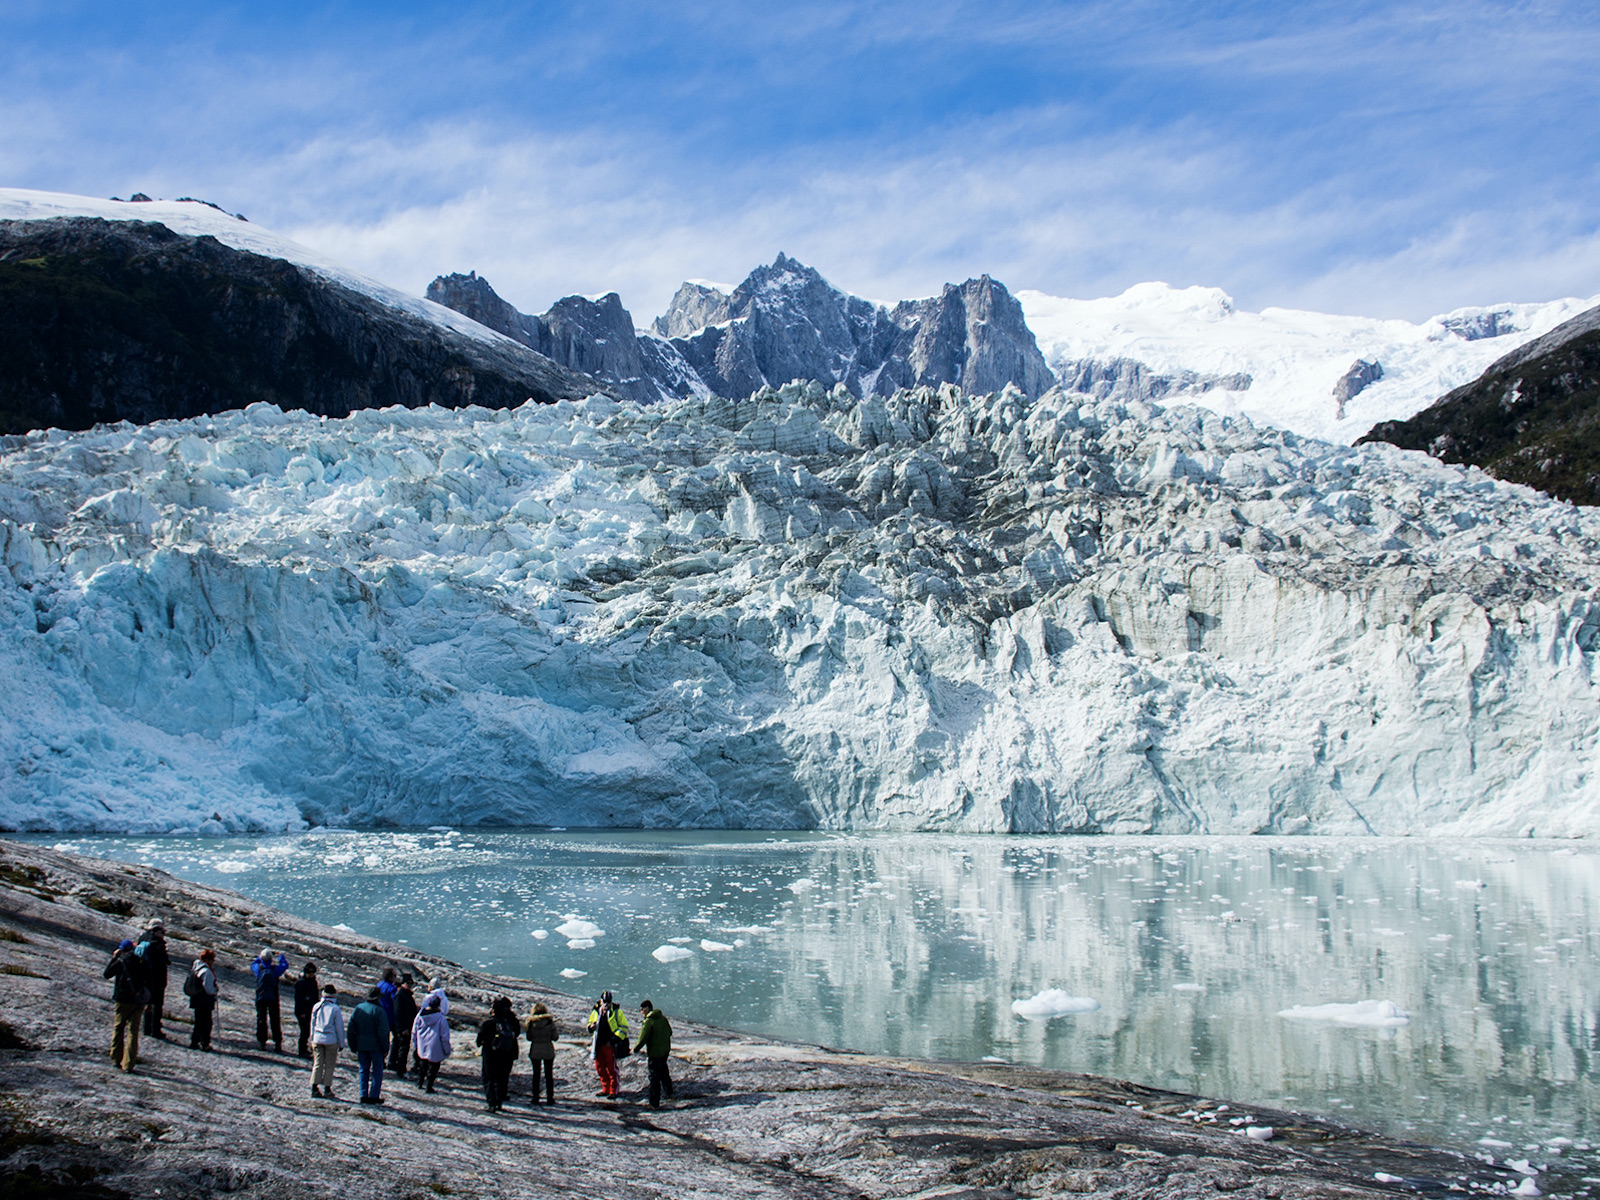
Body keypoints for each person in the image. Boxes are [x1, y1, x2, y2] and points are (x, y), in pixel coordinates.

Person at [103, 938, 147, 1073]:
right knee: (133, 1032)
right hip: (138, 1000)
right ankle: (129, 1064)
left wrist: (114, 958)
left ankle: (116, 1058)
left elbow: (107, 974)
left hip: (122, 1000)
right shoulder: (142, 962)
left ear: (122, 950)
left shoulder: (121, 961)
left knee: (119, 1028)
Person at [346, 987, 391, 1104]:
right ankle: (374, 1096)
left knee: (363, 1070)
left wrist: (353, 1045)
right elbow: (383, 1032)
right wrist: (385, 1047)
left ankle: (363, 1095)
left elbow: (351, 1029)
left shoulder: (358, 1009)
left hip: (361, 1045)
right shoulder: (379, 1011)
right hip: (376, 1047)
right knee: (377, 1071)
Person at [475, 996, 520, 1112]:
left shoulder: (488, 1023)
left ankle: (491, 1103)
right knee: (502, 1078)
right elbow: (517, 1033)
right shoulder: (509, 1021)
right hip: (506, 1052)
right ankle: (499, 1102)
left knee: (489, 1077)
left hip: (490, 1054)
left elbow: (479, 1041)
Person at [585, 991, 629, 1099]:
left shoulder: (617, 1012)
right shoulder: (596, 1011)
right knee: (600, 1068)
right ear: (601, 1001)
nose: (606, 1004)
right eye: (604, 1002)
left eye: (608, 1002)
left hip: (610, 1045)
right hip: (598, 1044)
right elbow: (590, 1023)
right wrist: (591, 1027)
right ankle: (605, 1088)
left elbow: (624, 1027)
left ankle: (613, 1090)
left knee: (611, 1068)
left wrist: (614, 1040)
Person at [308, 982, 346, 1099]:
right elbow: (339, 1027)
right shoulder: (335, 1009)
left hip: (318, 1038)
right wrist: (341, 1043)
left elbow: (312, 1024)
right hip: (331, 1040)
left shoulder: (317, 1006)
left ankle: (314, 1088)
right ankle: (327, 1089)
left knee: (317, 1063)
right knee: (329, 1065)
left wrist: (312, 1038)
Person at [635, 999, 675, 1109]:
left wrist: (635, 1049)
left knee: (654, 1078)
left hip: (654, 1053)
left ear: (647, 1009)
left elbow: (643, 1038)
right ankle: (669, 1093)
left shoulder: (649, 1021)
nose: (641, 1012)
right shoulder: (663, 1018)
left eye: (642, 1010)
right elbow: (670, 1032)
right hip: (665, 1051)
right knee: (664, 1072)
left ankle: (654, 1103)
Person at [135, 922, 171, 1040]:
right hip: (156, 978)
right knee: (157, 1005)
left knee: (148, 1002)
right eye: (162, 932)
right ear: (156, 931)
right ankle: (155, 1030)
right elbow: (160, 963)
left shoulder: (143, 938)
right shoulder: (157, 944)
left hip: (144, 976)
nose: (164, 935)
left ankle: (146, 1028)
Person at [251, 948, 289, 1052]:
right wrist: (280, 956)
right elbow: (285, 965)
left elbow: (253, 964)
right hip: (273, 997)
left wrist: (259, 957)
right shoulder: (275, 970)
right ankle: (277, 1043)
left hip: (261, 997)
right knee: (275, 1020)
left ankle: (261, 1042)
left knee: (261, 1019)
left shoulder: (258, 969)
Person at [411, 996, 451, 1094]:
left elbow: (414, 1031)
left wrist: (415, 1043)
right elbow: (444, 1037)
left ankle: (419, 1082)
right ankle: (429, 1086)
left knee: (422, 1065)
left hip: (422, 1045)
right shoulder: (441, 1019)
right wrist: (447, 1050)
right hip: (435, 1046)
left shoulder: (420, 1015)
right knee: (433, 1068)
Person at [524, 1001, 559, 1104]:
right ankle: (550, 1097)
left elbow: (529, 1038)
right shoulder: (549, 1022)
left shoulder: (530, 1022)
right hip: (548, 1049)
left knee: (536, 1074)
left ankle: (535, 1097)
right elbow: (555, 1037)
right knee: (549, 1075)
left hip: (535, 1049)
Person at [186, 949, 219, 1050]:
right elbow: (208, 989)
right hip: (205, 1001)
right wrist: (215, 990)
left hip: (196, 999)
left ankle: (194, 1042)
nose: (213, 962)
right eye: (212, 960)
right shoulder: (207, 971)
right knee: (206, 1023)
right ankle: (205, 1043)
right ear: (208, 960)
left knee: (198, 1022)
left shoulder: (196, 968)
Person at [389, 973, 418, 1077]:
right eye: (408, 983)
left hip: (408, 1026)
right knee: (403, 1049)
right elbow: (398, 1013)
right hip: (404, 1028)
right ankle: (401, 1070)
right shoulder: (400, 995)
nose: (410, 985)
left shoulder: (406, 994)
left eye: (411, 983)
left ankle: (398, 1067)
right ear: (402, 983)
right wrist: (402, 1028)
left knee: (403, 1048)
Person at [293, 962, 320, 1059]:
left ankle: (304, 1048)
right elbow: (298, 999)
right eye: (310, 972)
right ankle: (302, 1050)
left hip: (311, 1009)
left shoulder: (313, 982)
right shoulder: (301, 983)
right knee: (304, 1031)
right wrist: (302, 1012)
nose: (311, 974)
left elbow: (315, 996)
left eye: (313, 972)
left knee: (308, 1030)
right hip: (302, 1011)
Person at [375, 966, 399, 1031]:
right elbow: (395, 1001)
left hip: (378, 1014)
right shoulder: (392, 988)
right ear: (390, 977)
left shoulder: (378, 985)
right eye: (394, 975)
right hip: (389, 1016)